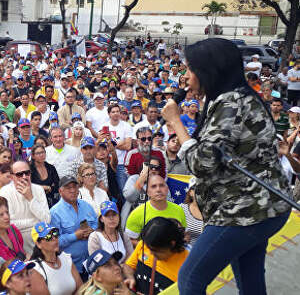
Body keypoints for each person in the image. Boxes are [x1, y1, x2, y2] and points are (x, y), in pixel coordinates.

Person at [160, 38, 290, 294]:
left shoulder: (230, 103)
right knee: (249, 279)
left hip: (245, 210)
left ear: (209, 70)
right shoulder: (237, 98)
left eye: (189, 69)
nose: (186, 77)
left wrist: (176, 122)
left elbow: (202, 162)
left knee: (190, 278)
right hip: (263, 207)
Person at [124, 217, 189, 295]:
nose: (151, 253)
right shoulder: (144, 245)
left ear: (172, 244)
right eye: (149, 249)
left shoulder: (188, 265)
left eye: (156, 251)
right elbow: (128, 266)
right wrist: (130, 277)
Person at [50, 176, 98, 280]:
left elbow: (97, 224)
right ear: (60, 191)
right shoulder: (54, 212)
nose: (72, 190)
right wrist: (75, 236)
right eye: (68, 188)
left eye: (75, 187)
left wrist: (93, 231)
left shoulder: (87, 206)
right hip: (71, 267)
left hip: (92, 262)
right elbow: (54, 241)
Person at [0, 161, 50, 254]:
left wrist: (30, 198)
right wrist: (36, 222)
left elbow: (47, 219)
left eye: (27, 173)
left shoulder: (38, 189)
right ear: (11, 177)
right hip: (19, 245)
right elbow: (9, 224)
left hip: (41, 241)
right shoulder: (5, 192)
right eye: (19, 174)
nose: (24, 177)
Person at [124, 174, 186, 245]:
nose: (158, 189)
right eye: (153, 186)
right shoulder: (137, 213)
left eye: (161, 185)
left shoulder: (179, 210)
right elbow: (129, 240)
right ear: (147, 191)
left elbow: (184, 234)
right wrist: (150, 246)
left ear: (167, 189)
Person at [29, 221, 83, 295]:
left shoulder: (65, 257)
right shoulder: (35, 269)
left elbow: (81, 289)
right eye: (48, 237)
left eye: (55, 233)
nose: (54, 238)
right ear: (38, 244)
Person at [179, 178, 204, 247]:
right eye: (198, 188)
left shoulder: (215, 211)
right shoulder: (181, 209)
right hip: (186, 252)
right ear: (190, 192)